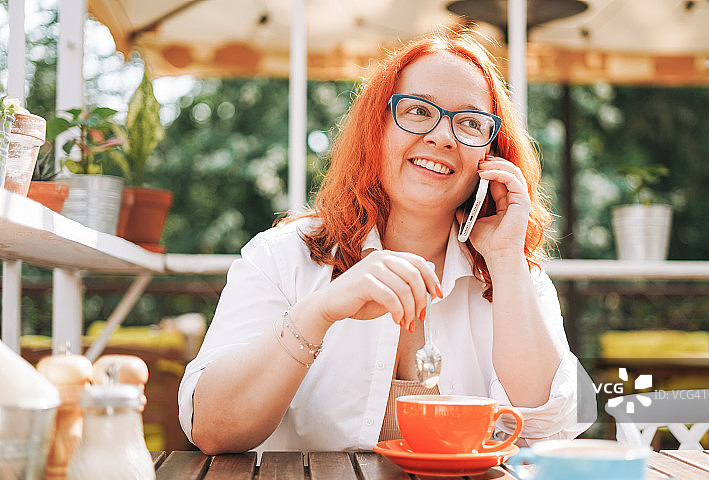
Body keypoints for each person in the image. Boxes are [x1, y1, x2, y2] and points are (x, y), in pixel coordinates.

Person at [179, 29, 595, 455]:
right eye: (417, 111)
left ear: (491, 156)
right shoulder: (282, 256)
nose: (443, 136)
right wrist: (319, 313)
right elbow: (211, 428)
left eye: (470, 122)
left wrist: (507, 260)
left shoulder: (511, 275)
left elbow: (551, 431)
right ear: (375, 129)